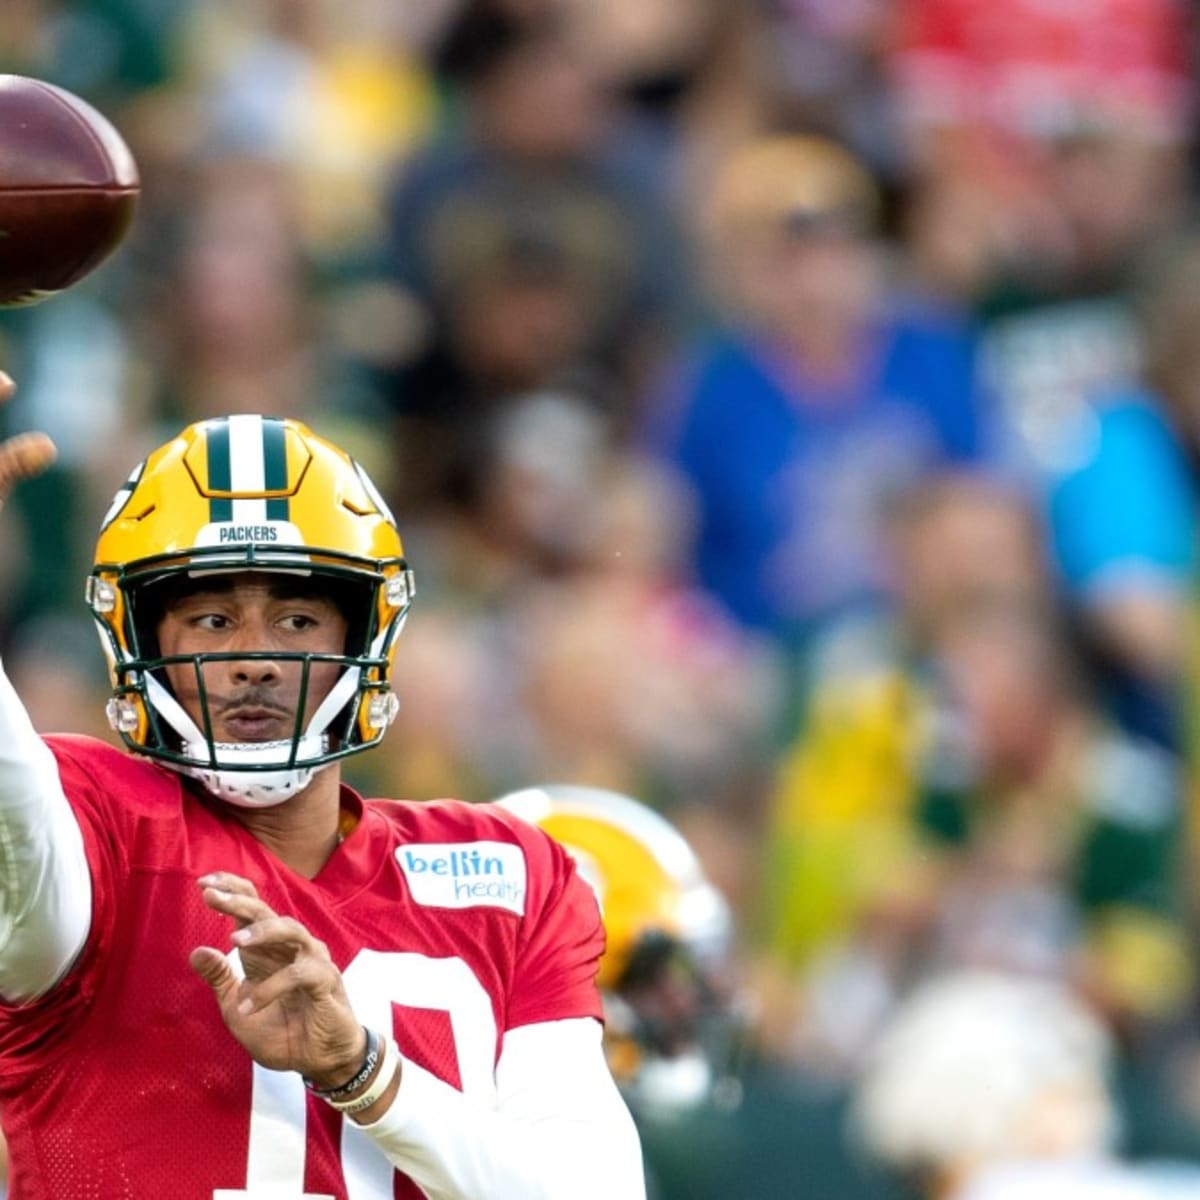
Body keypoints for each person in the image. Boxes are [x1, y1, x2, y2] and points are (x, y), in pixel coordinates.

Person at [0, 379, 646, 1199]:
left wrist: (367, 1074)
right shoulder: (92, 824)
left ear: (363, 638)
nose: (256, 658)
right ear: (139, 641)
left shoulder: (515, 874)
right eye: (210, 620)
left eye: (298, 620)